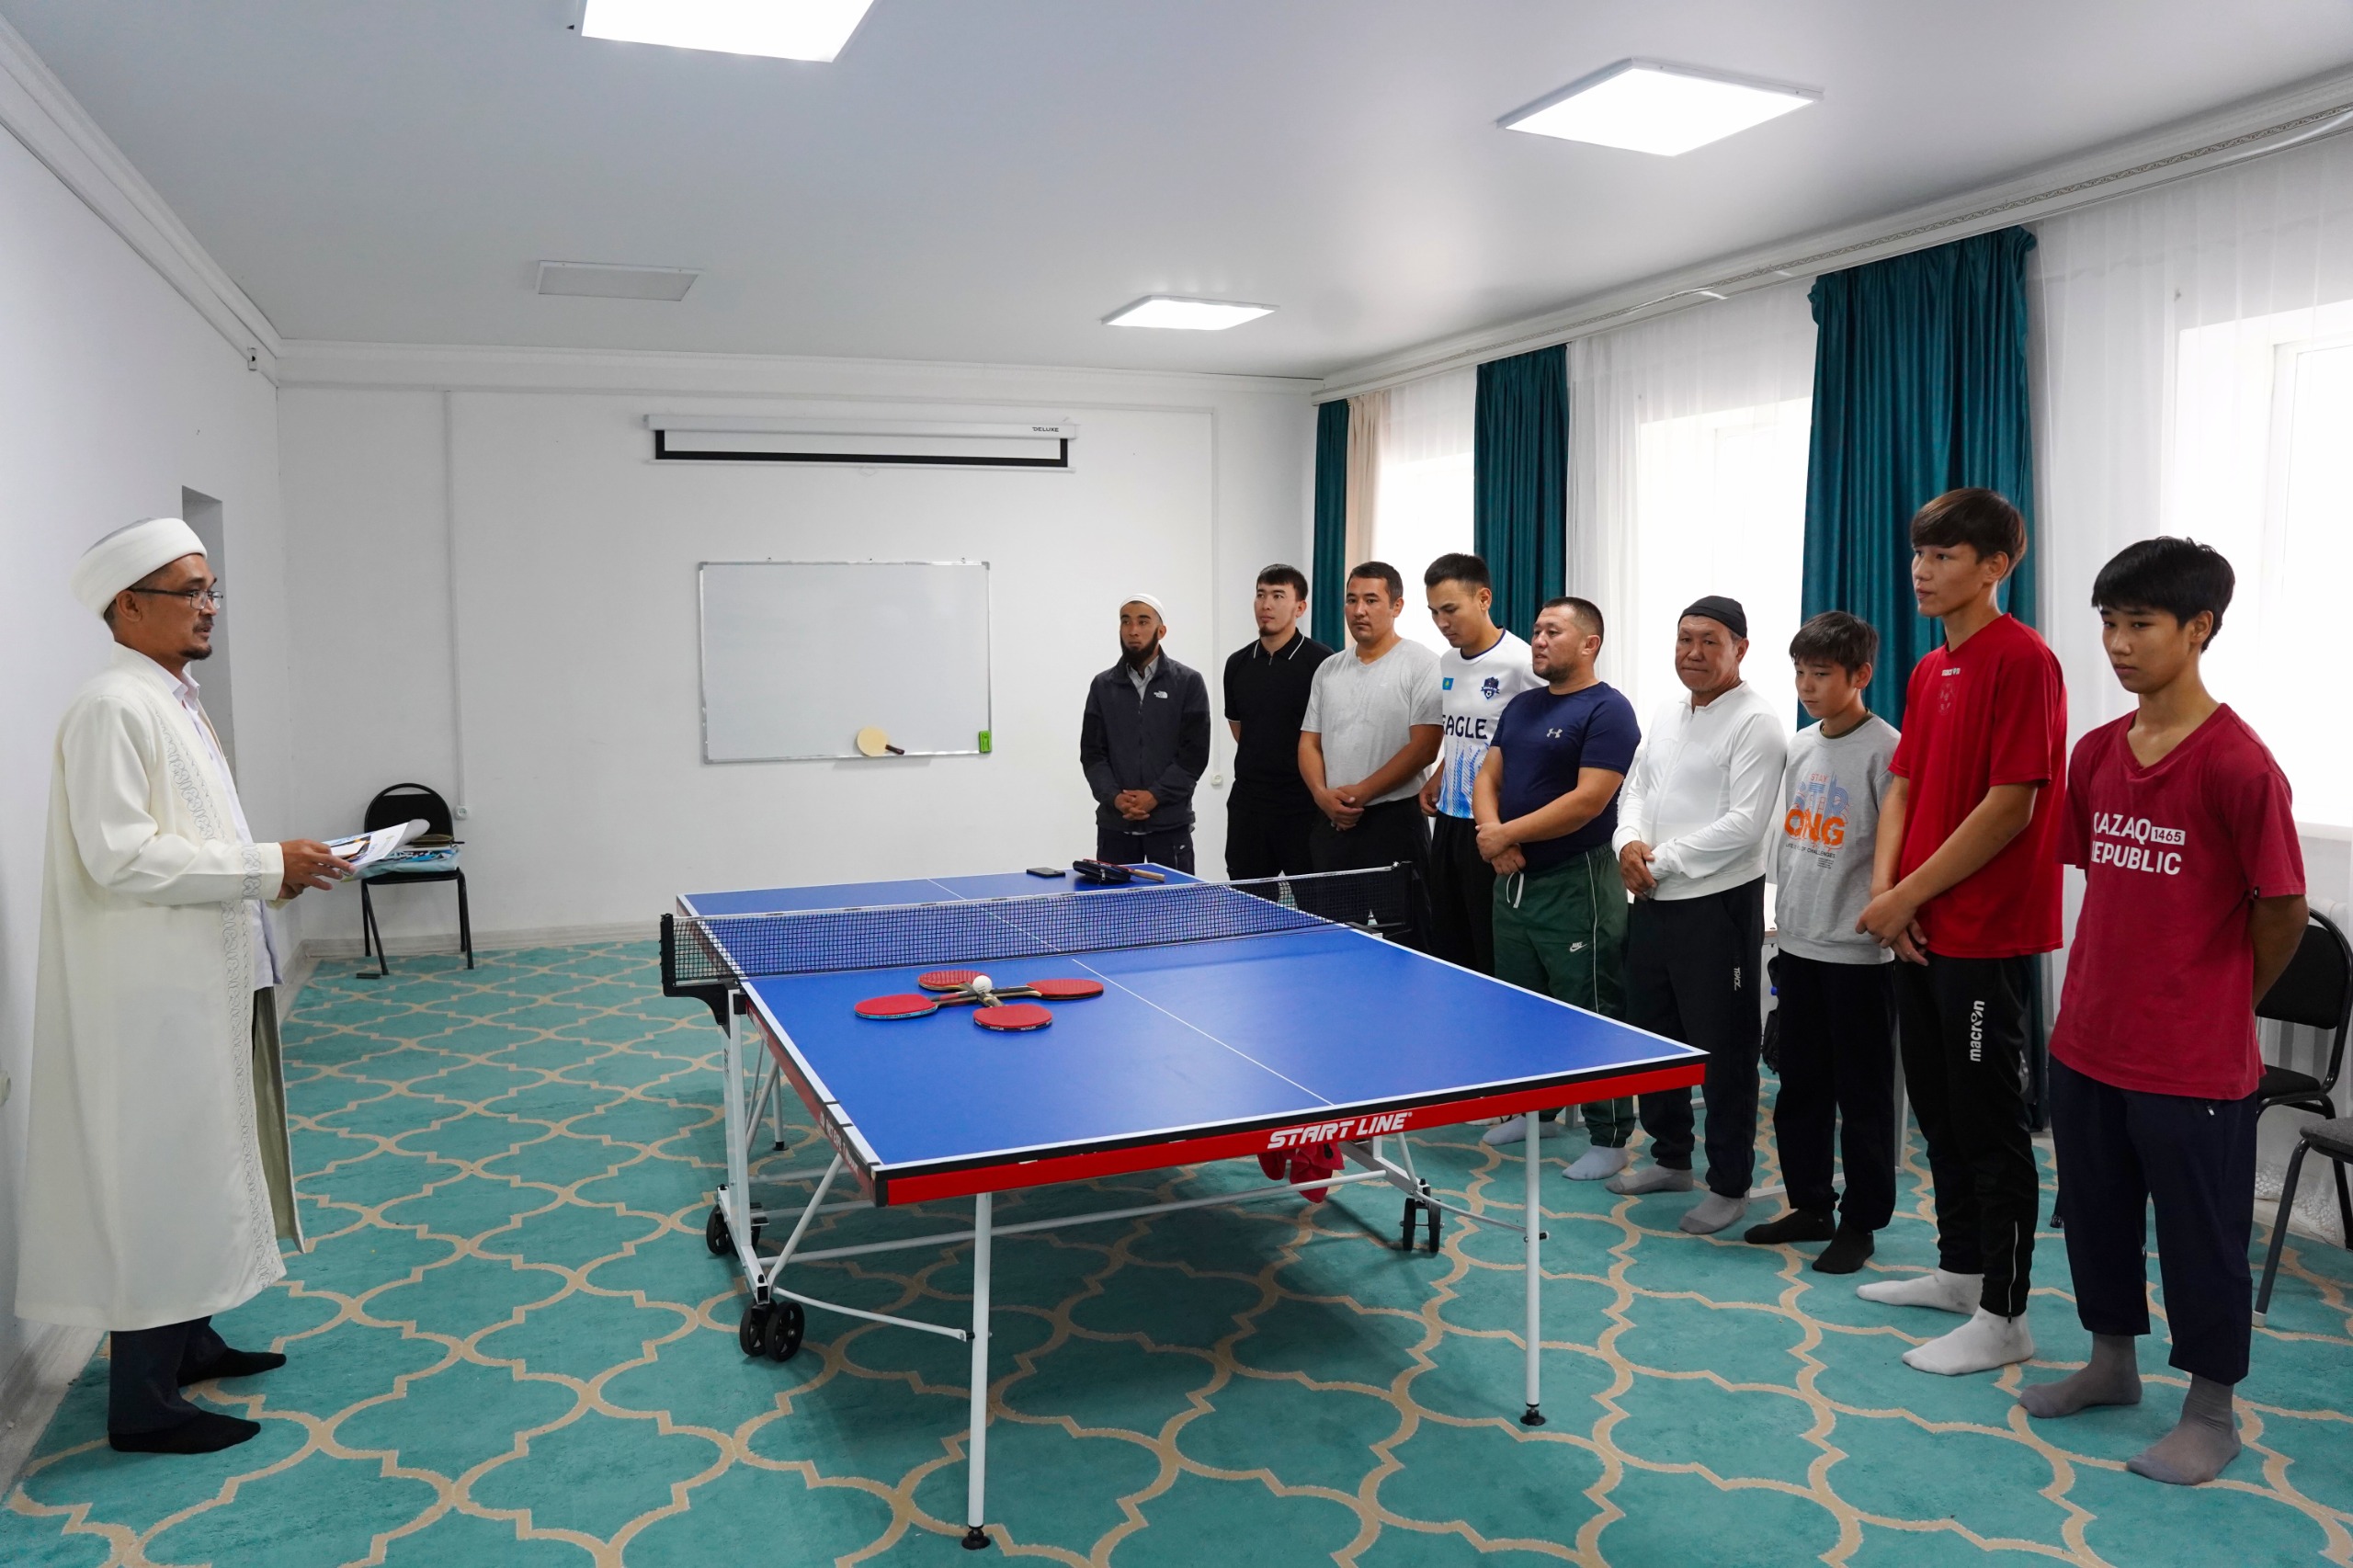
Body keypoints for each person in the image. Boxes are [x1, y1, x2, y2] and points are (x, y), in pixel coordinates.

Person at [17, 517, 350, 1454]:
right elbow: (121, 855)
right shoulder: (113, 707)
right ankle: (143, 1403)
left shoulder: (171, 699)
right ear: (128, 605)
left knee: (203, 1169)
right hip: (148, 995)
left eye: (211, 590)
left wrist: (274, 872)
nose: (208, 607)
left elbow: (194, 839)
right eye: (188, 591)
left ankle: (190, 1341)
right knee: (161, 1181)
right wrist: (264, 864)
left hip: (202, 978)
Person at [2017, 538, 2305, 1486]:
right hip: (2089, 1038)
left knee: (2200, 1237)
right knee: (2095, 1216)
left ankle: (2211, 1412)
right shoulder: (2097, 753)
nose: (2118, 642)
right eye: (2109, 621)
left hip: (2191, 1059)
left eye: (2140, 623)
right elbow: (2106, 882)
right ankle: (2111, 1364)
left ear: (2198, 628)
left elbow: (2280, 910)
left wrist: (2223, 1003)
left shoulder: (2240, 766)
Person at [1854, 488, 2066, 1377]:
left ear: (1995, 566)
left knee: (1989, 1126)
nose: (1921, 571)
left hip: (1983, 933)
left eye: (1943, 556)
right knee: (1939, 1113)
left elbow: (2011, 807)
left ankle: (2006, 1315)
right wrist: (1889, 894)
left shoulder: (2025, 660)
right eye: (1919, 554)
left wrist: (1905, 897)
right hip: (1921, 925)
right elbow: (1903, 785)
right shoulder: (1929, 668)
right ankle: (1960, 1271)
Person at [1607, 597, 1788, 1235]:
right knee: (1655, 1036)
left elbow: (1745, 825)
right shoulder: (1666, 711)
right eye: (1685, 639)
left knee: (1723, 1050)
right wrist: (1627, 844)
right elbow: (1636, 789)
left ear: (1740, 648)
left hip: (1717, 907)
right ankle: (1671, 1158)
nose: (1694, 652)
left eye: (1710, 641)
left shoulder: (1758, 722)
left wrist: (1660, 861)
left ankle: (1730, 1184)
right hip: (1652, 898)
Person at [1743, 612, 1901, 1273]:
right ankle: (1810, 1204)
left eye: (1822, 674)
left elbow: (1893, 848)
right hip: (1800, 945)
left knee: (1862, 1098)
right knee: (1800, 1087)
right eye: (1800, 673)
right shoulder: (1802, 745)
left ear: (1860, 675)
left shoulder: (1887, 750)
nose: (1807, 686)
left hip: (1858, 955)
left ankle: (1861, 1223)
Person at [1472, 597, 1642, 1176]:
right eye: (1537, 630)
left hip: (1577, 883)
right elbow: (1489, 775)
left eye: (1553, 631)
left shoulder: (1608, 710)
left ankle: (1610, 1137)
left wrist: (1505, 834)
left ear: (1590, 644)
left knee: (1589, 1007)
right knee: (1520, 1005)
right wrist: (1493, 835)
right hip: (1514, 881)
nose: (1539, 640)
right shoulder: (1522, 705)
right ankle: (1535, 1110)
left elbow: (1588, 801)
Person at [1298, 562, 1442, 939]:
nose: (1359, 610)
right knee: (1334, 939)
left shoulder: (1422, 664)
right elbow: (1309, 742)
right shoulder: (1328, 669)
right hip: (1332, 822)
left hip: (1395, 825)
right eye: (1351, 600)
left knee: (1409, 939)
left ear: (1397, 606)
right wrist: (1322, 796)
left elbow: (1425, 748)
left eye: (1371, 600)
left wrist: (1359, 794)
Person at [1420, 553, 1544, 974]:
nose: (1442, 622)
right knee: (1448, 939)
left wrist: (1510, 831)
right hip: (1449, 822)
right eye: (1434, 612)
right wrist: (1439, 776)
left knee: (1487, 945)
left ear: (1484, 599)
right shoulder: (1447, 662)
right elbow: (1466, 733)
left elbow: (1535, 749)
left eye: (1450, 609)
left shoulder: (1522, 662)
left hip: (1492, 824)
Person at [1080, 593, 1211, 873]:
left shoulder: (1188, 683)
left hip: (1170, 828)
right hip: (1115, 828)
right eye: (1125, 622)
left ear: (1161, 631)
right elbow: (1092, 755)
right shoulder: (1102, 686)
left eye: (1142, 622)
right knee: (1113, 903)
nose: (1133, 630)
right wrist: (1115, 798)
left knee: (1174, 903)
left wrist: (1155, 796)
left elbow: (1194, 756)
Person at [1222, 564, 1333, 881]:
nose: (1266, 605)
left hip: (1304, 807)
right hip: (1249, 807)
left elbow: (1330, 738)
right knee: (1248, 903)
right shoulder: (1237, 663)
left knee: (1316, 904)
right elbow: (1240, 729)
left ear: (1300, 607)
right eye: (1261, 595)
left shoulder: (1323, 663)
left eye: (1278, 596)